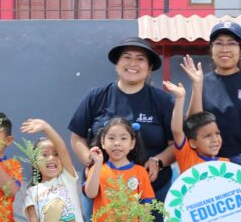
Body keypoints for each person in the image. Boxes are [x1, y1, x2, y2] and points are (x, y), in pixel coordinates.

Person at [69, 37, 175, 206]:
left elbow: (176, 144)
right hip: (102, 190)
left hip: (152, 191)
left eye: (140, 59)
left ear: (149, 69)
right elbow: (77, 138)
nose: (133, 63)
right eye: (127, 57)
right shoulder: (97, 96)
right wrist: (91, 163)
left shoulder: (163, 101)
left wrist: (158, 160)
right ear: (117, 64)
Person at [183, 20, 241, 185]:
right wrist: (197, 86)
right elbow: (194, 125)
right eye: (219, 44)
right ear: (211, 50)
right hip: (209, 161)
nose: (225, 49)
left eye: (232, 44)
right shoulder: (202, 81)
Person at [162, 80, 241, 176]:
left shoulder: (225, 163)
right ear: (193, 143)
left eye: (217, 133)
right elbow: (177, 131)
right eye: (207, 136)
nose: (215, 139)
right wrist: (180, 99)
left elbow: (238, 187)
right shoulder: (187, 156)